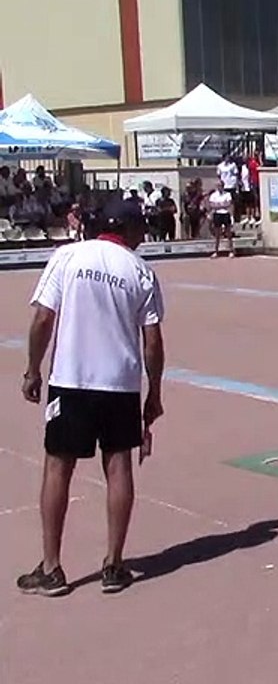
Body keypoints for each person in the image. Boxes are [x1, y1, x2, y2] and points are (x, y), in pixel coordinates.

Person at [17, 197, 165, 596]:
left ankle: (52, 568)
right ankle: (114, 566)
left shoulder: (67, 256)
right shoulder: (140, 271)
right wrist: (155, 393)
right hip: (120, 383)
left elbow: (43, 319)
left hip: (71, 379)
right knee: (119, 468)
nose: (144, 236)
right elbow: (152, 342)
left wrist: (33, 368)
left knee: (57, 468)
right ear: (130, 231)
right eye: (142, 230)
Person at [205, 180, 235, 257]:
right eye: (218, 185)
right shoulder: (213, 195)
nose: (219, 187)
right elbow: (212, 205)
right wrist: (222, 205)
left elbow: (228, 203)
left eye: (220, 185)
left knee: (228, 233)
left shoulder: (227, 194)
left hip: (225, 214)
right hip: (217, 214)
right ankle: (216, 251)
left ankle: (231, 250)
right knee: (217, 234)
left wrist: (219, 205)